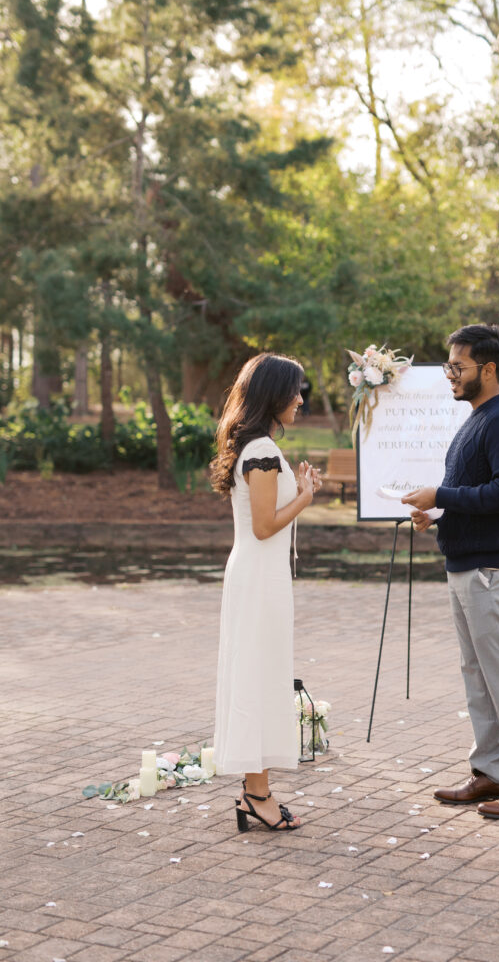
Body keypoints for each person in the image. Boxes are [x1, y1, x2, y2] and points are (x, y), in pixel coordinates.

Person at [401, 324, 499, 820]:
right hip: (467, 565)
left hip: (493, 568)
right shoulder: (476, 417)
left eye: (457, 366)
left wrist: (441, 496)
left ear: (487, 370)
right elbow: (476, 491)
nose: (450, 374)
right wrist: (438, 513)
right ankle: (493, 771)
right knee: (479, 676)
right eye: (449, 365)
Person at [210, 352, 322, 832]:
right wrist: (305, 496)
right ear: (273, 395)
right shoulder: (259, 450)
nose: (300, 399)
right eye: (295, 390)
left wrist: (296, 488)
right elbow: (262, 526)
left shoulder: (260, 448)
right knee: (257, 677)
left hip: (263, 577)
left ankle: (257, 790)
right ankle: (257, 795)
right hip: (258, 578)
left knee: (263, 674)